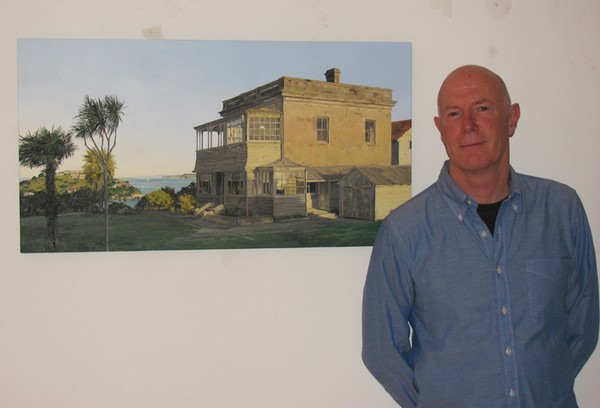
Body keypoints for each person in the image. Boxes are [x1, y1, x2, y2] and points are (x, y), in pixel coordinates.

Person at [362, 65, 599, 407]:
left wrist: (546, 386)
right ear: (440, 129)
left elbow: (583, 326)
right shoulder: (403, 231)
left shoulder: (563, 211)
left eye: (482, 108)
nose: (468, 126)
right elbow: (381, 350)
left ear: (512, 118)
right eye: (454, 114)